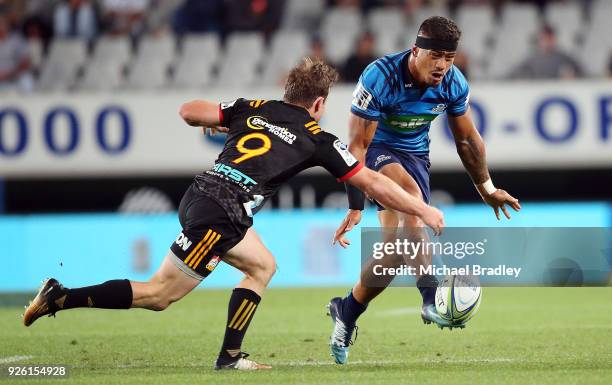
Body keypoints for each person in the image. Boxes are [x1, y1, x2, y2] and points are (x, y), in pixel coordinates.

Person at [23, 59, 445, 371]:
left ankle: (230, 356)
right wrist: (422, 207)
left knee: (263, 265)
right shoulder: (318, 138)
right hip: (221, 213)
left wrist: (228, 123)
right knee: (159, 295)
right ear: (318, 103)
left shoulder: (253, 107)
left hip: (203, 194)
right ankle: (62, 296)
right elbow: (370, 181)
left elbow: (189, 110)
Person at [328, 16, 521, 364]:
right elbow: (356, 144)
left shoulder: (453, 84)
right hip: (375, 149)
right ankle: (431, 297)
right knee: (414, 203)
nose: (443, 65)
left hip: (415, 156)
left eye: (449, 57)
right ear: (416, 50)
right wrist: (355, 203)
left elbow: (466, 139)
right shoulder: (379, 77)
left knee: (397, 249)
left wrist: (487, 188)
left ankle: (348, 308)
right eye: (436, 56)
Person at [510, 24, 582, 80]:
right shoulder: (532, 58)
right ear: (539, 39)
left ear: (554, 39)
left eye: (549, 38)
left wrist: (573, 75)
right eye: (544, 38)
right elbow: (513, 73)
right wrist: (522, 77)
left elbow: (581, 71)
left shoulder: (563, 56)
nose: (547, 41)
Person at [0, 13, 33, 91]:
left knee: (27, 79)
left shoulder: (16, 40)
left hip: (13, 76)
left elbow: (26, 62)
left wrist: (10, 73)